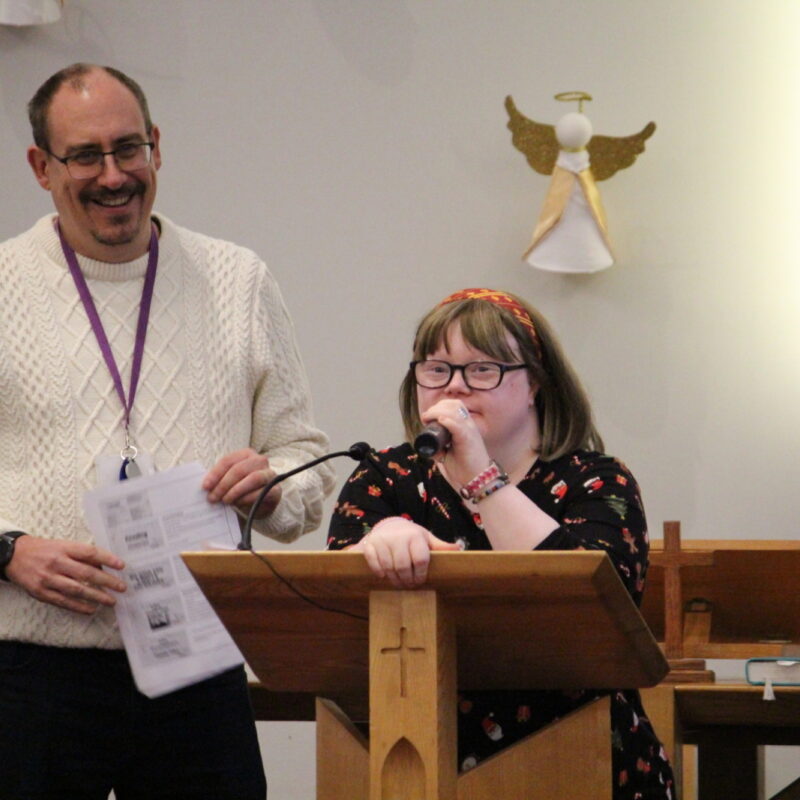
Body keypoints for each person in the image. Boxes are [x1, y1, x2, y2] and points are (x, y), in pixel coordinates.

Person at [0, 63, 335, 799]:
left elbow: (305, 459)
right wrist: (7, 550)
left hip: (197, 661)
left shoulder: (237, 279)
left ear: (157, 145)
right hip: (30, 675)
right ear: (40, 167)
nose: (113, 175)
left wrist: (272, 490)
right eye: (85, 155)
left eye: (130, 148)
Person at [328, 287, 675, 799]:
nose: (456, 388)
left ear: (534, 381)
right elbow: (330, 609)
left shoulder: (597, 481)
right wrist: (378, 541)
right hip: (414, 759)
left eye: (482, 370)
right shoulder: (384, 476)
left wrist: (481, 479)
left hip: (579, 757)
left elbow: (598, 614)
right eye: (437, 369)